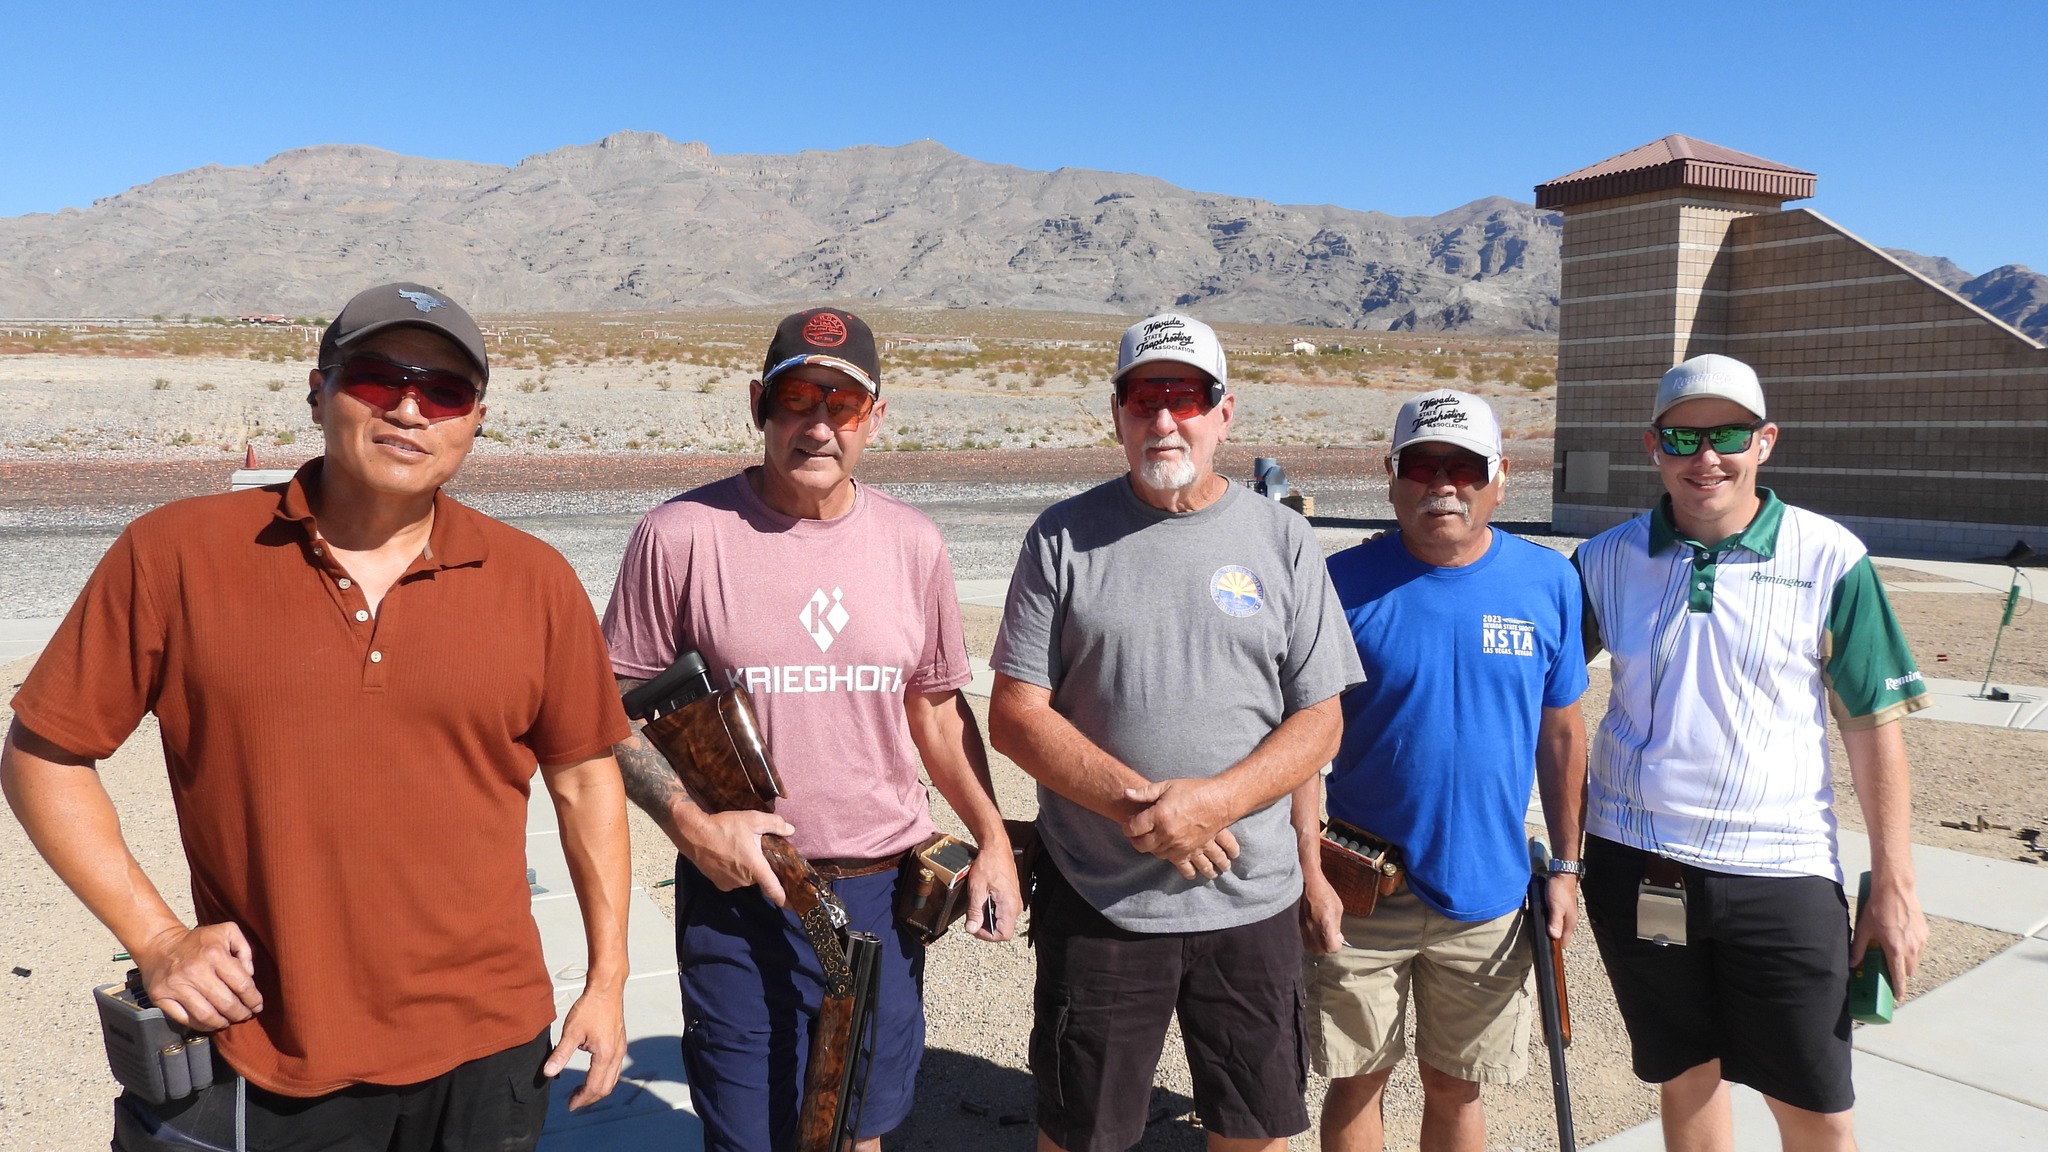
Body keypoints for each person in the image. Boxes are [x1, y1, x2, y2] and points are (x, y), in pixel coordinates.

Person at [0, 282, 633, 1151]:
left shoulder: (534, 580)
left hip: (492, 1053)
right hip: (267, 1045)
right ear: (318, 389)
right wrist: (155, 938)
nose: (411, 408)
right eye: (378, 379)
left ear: (475, 419)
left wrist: (607, 979)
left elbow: (585, 779)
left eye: (444, 391)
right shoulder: (178, 553)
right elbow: (45, 752)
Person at [603, 307, 1021, 1152]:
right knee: (749, 1132)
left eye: (845, 405)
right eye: (798, 398)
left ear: (875, 418)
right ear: (760, 403)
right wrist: (691, 826)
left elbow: (935, 709)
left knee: (856, 1129)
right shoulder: (681, 535)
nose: (820, 424)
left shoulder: (913, 544)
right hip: (742, 891)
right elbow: (610, 702)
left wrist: (995, 840)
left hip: (879, 890)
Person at [988, 312, 1365, 1152]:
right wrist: (1145, 811)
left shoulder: (1283, 540)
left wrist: (1216, 803)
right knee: (1084, 1133)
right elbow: (1015, 712)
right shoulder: (1062, 537)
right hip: (1103, 899)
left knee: (1251, 1130)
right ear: (1116, 413)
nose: (1165, 418)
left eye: (1186, 396)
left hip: (1251, 901)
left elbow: (1321, 717)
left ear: (1223, 413)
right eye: (1144, 396)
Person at [1574, 353, 1930, 1150]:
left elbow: (1872, 726)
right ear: (1652, 446)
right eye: (1684, 437)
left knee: (1815, 1104)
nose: (1707, 457)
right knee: (1686, 1075)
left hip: (1783, 871)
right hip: (1640, 864)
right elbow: (1544, 699)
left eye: (1728, 433)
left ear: (1764, 440)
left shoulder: (1831, 558)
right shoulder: (1602, 561)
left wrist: (1894, 887)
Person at [1297, 389, 1588, 1152]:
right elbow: (1298, 737)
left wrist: (1565, 864)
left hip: (1487, 894)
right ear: (1392, 476)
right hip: (1363, 889)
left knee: (1457, 1085)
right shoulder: (1338, 586)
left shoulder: (1548, 583)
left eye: (1464, 466)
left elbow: (1561, 734)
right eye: (1424, 465)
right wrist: (1308, 870)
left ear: (1500, 477)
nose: (1443, 484)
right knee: (1358, 1076)